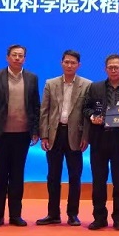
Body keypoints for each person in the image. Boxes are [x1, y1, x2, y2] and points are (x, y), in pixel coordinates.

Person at [0, 44, 40, 228]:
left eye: (21, 55)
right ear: (7, 57)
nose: (17, 58)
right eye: (14, 55)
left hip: (22, 134)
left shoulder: (32, 78)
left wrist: (36, 131)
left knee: (17, 176)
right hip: (1, 134)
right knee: (0, 175)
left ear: (25, 59)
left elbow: (36, 107)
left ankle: (16, 215)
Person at [82, 54, 119, 231]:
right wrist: (93, 116)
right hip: (99, 139)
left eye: (117, 67)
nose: (113, 70)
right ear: (105, 69)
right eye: (110, 67)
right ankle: (99, 217)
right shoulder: (95, 87)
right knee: (98, 182)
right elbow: (86, 108)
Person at [36, 50, 91, 226]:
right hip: (55, 134)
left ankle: (72, 214)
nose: (69, 65)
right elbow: (44, 111)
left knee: (75, 176)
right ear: (61, 63)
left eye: (73, 63)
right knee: (53, 176)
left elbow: (87, 114)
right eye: (66, 62)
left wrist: (86, 136)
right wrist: (44, 135)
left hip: (75, 135)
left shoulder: (87, 85)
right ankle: (53, 214)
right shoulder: (50, 83)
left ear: (78, 65)